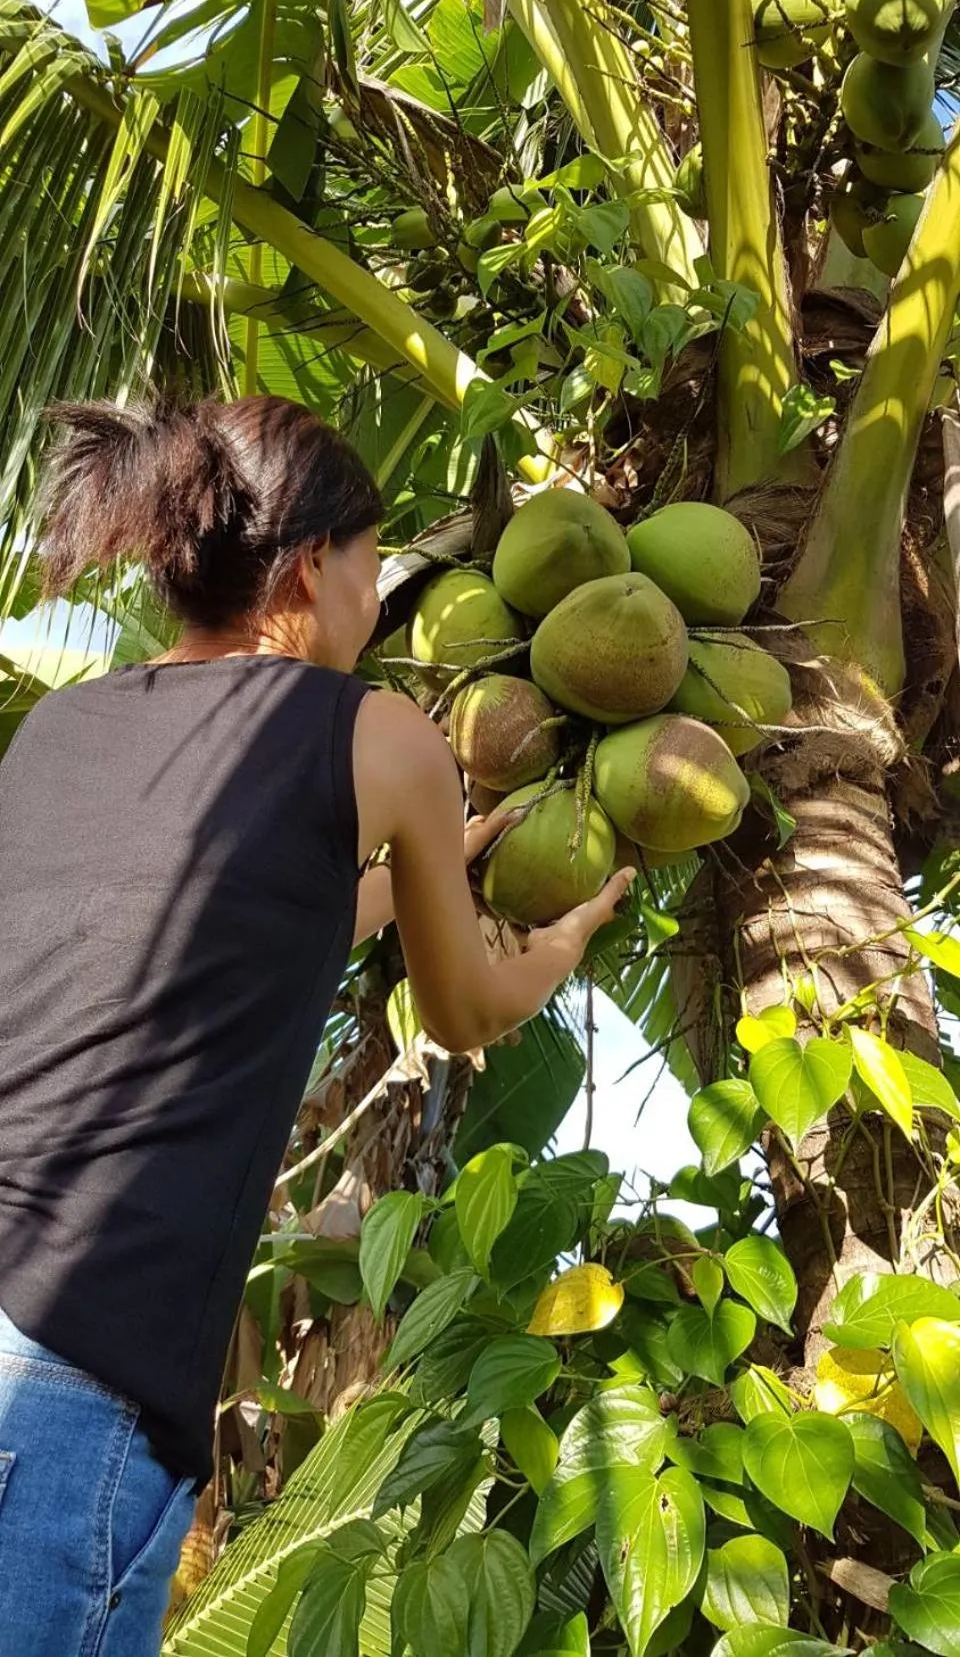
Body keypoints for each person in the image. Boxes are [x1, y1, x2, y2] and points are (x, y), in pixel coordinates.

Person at [0, 395, 632, 1655]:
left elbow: (217, 933)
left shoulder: (60, 728)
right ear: (306, 568)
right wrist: (563, 938)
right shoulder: (377, 732)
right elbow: (461, 1007)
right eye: (368, 566)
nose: (374, 600)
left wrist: (419, 869)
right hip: (72, 1365)